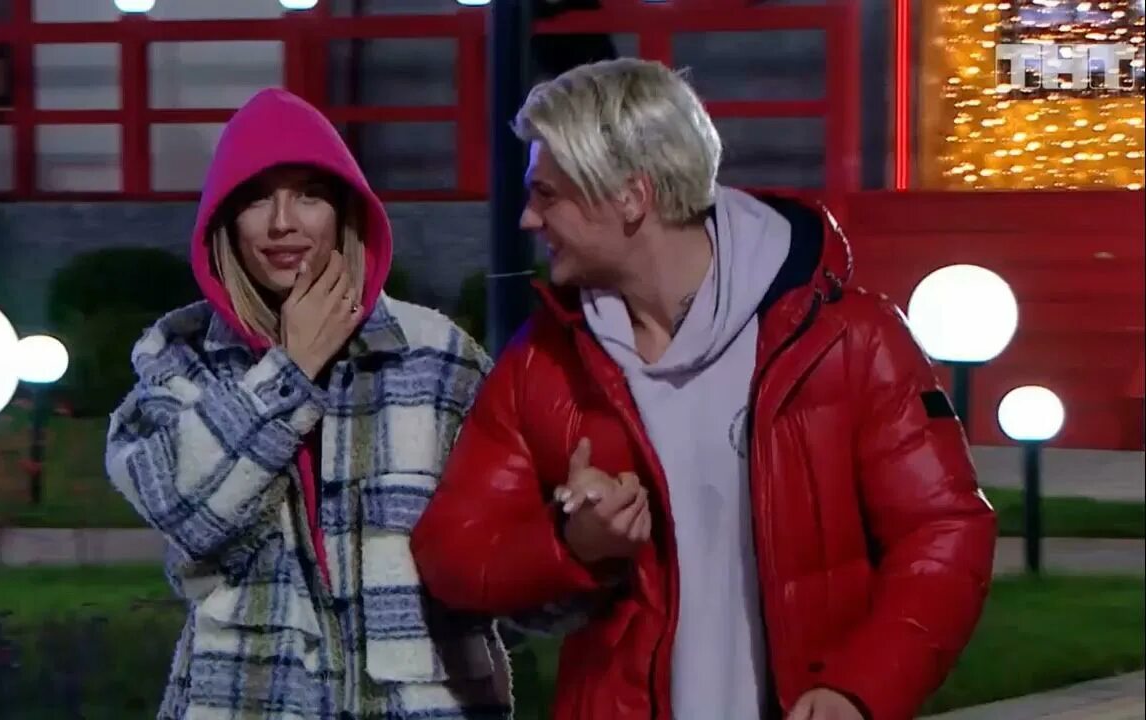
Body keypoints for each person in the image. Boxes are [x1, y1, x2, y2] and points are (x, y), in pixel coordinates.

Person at [410, 58, 997, 720]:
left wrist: (860, 689)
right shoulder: (541, 363)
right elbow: (451, 553)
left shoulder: (850, 339)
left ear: (631, 197)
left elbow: (945, 530)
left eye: (548, 195)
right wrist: (571, 544)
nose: (527, 219)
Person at [105, 87, 510, 720]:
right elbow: (181, 513)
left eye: (309, 196)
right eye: (257, 198)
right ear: (226, 221)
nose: (282, 223)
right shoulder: (179, 360)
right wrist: (289, 371)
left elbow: (505, 550)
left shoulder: (435, 355)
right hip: (247, 702)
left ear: (346, 212)